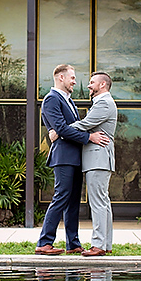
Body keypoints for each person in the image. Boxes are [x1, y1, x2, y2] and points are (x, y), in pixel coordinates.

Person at [35, 64, 110, 256]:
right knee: (61, 197)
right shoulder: (51, 99)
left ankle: (73, 243)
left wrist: (60, 132)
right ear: (61, 78)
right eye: (73, 78)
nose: (75, 82)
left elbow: (66, 128)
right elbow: (61, 127)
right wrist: (89, 138)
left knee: (73, 201)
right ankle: (44, 242)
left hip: (76, 157)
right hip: (63, 157)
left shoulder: (68, 100)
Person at [50, 71, 118, 257]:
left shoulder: (104, 103)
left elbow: (85, 124)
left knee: (98, 203)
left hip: (98, 159)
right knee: (103, 202)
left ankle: (98, 246)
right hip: (98, 159)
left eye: (92, 82)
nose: (88, 85)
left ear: (102, 85)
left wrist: (59, 131)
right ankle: (105, 244)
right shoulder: (102, 102)